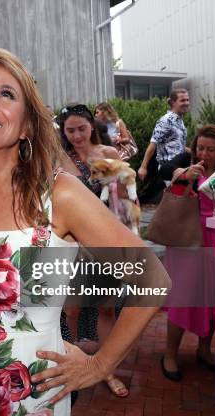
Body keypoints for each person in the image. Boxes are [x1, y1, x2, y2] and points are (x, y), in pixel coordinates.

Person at [0, 48, 170, 415]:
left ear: (28, 124)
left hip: (26, 396)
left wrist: (100, 365)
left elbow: (153, 279)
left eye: (6, 94)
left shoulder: (58, 195)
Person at [58, 103, 132, 398]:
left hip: (105, 241)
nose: (77, 135)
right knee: (72, 310)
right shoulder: (59, 158)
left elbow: (126, 195)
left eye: (82, 129)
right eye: (70, 130)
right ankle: (73, 366)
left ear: (92, 127)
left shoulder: (109, 153)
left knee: (105, 307)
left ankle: (106, 368)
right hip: (73, 244)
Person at [158, 124, 215, 381]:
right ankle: (169, 354)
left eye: (210, 149)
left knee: (213, 298)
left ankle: (204, 349)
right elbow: (173, 194)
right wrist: (186, 176)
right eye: (201, 147)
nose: (205, 153)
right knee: (183, 298)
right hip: (187, 240)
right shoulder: (186, 169)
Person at [138, 89, 190, 182]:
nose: (186, 103)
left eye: (187, 100)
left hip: (179, 168)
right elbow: (153, 144)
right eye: (182, 100)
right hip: (169, 169)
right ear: (173, 103)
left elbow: (175, 143)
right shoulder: (165, 120)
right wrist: (143, 168)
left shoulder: (179, 120)